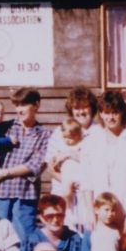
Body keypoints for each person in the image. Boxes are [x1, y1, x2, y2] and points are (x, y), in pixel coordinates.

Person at [0, 87, 51, 244]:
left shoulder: (45, 135)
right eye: (16, 105)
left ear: (36, 105)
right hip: (1, 192)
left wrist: (3, 173)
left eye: (24, 105)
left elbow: (35, 165)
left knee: (24, 237)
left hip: (25, 193)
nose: (19, 110)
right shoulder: (4, 128)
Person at [80, 90, 126, 235]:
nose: (111, 117)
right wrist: (91, 212)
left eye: (115, 112)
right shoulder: (91, 140)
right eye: (107, 112)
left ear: (122, 113)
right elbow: (86, 181)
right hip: (99, 212)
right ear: (101, 114)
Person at [45, 87, 101, 232]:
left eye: (85, 107)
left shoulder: (99, 132)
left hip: (91, 195)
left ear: (92, 109)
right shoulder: (60, 132)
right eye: (77, 108)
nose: (81, 112)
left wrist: (70, 154)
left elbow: (100, 164)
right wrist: (67, 183)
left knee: (90, 232)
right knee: (65, 231)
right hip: (64, 194)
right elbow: (50, 166)